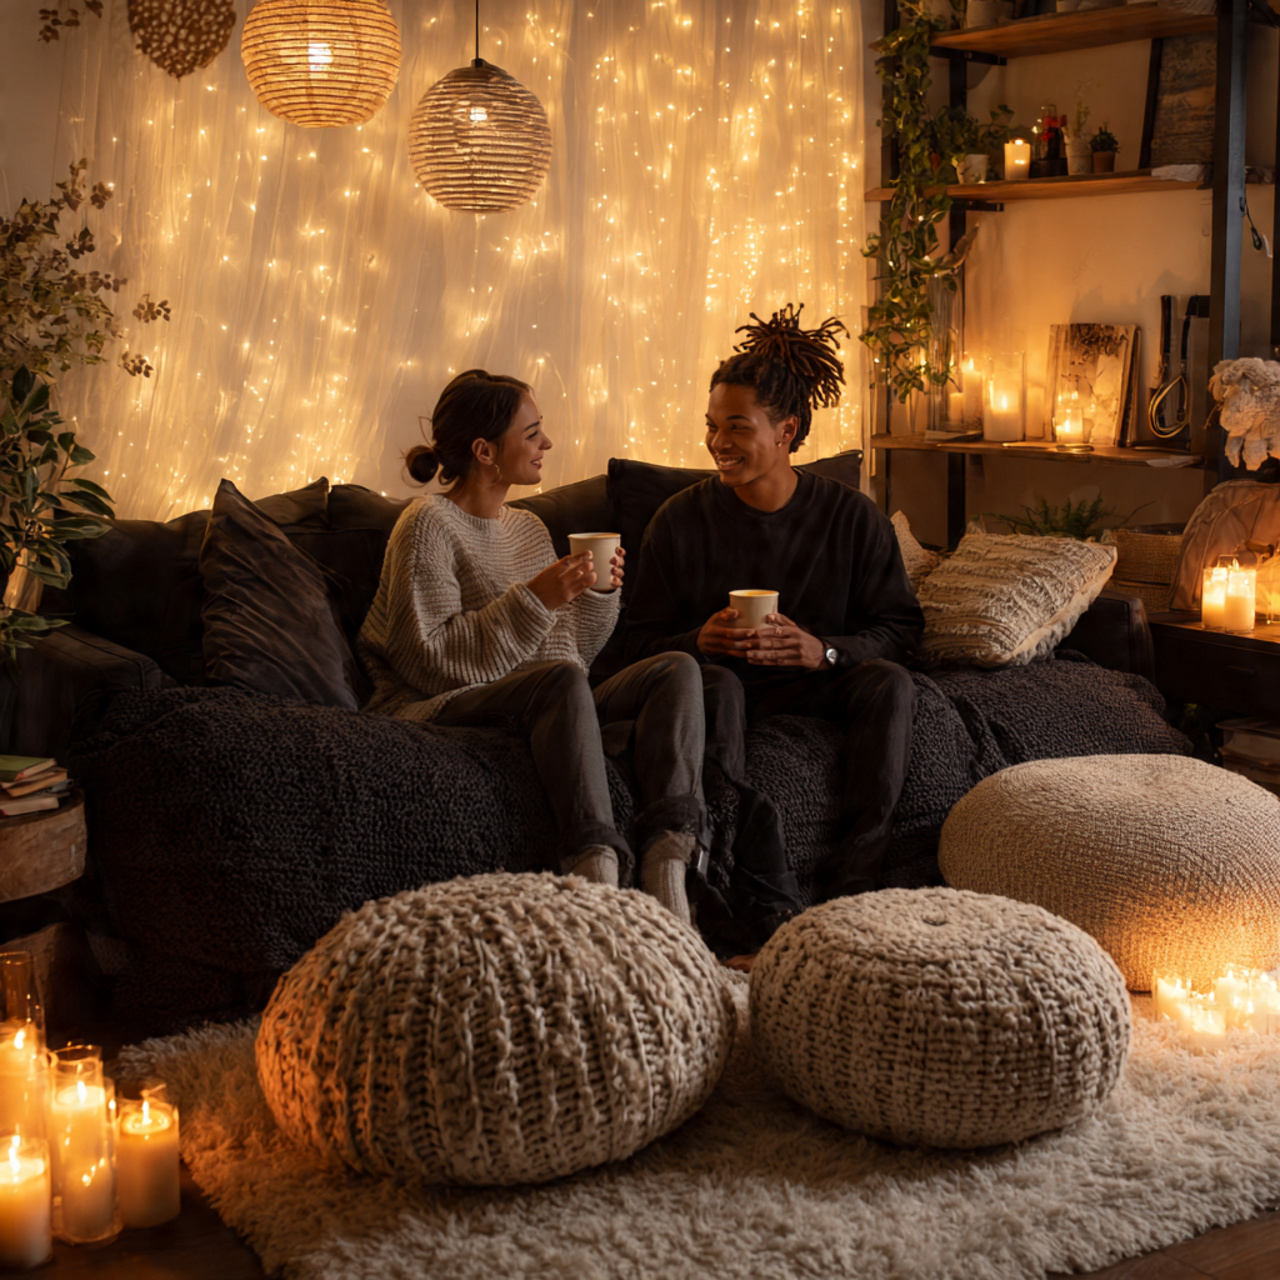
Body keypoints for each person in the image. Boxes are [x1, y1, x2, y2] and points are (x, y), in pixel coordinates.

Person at [359, 369, 707, 922]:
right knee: (561, 685)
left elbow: (570, 656)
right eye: (532, 433)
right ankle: (595, 875)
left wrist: (596, 595)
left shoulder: (527, 529)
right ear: (484, 450)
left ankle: (668, 864)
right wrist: (537, 599)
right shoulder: (426, 524)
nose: (547, 444)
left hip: (542, 694)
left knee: (676, 669)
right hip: (442, 703)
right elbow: (428, 659)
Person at [624, 305, 924, 906]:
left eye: (737, 427)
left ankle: (855, 892)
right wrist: (697, 641)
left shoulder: (852, 517)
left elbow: (902, 630)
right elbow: (630, 644)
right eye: (711, 426)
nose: (716, 442)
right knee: (718, 686)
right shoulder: (680, 522)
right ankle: (736, 891)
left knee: (889, 683)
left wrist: (825, 651)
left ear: (786, 431)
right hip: (721, 690)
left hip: (814, 683)